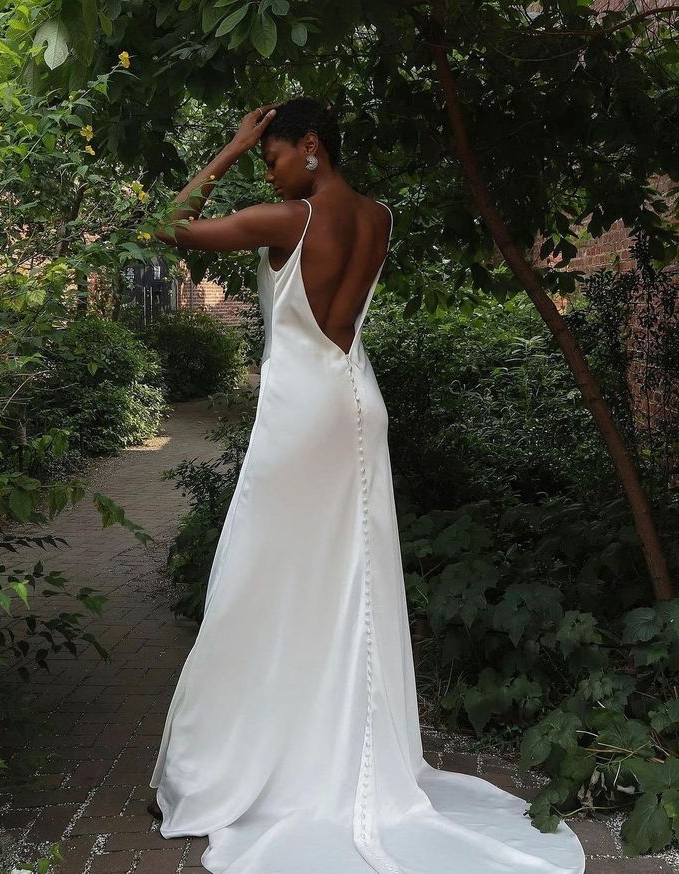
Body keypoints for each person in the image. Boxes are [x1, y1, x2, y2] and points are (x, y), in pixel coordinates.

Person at [146, 96, 586, 874]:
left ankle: (227, 769)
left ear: (309, 145)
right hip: (357, 401)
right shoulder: (379, 217)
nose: (268, 168)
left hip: (301, 415)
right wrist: (255, 147)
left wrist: (224, 147)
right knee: (347, 586)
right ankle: (332, 757)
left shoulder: (288, 222)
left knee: (255, 584)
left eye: (272, 154)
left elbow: (167, 225)